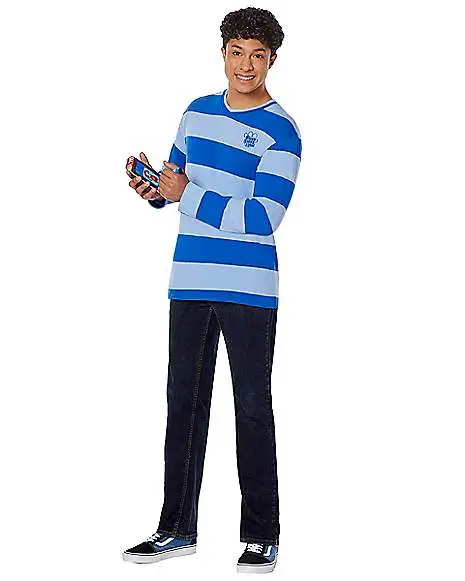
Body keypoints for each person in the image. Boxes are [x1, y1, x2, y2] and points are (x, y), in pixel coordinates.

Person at [122, 7, 302, 574]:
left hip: (249, 288)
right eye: (236, 52)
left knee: (251, 407)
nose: (246, 65)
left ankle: (262, 535)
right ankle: (176, 528)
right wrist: (153, 189)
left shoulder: (282, 131)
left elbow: (263, 218)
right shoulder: (195, 113)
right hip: (190, 279)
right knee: (183, 402)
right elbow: (174, 181)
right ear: (223, 53)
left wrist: (185, 195)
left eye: (257, 55)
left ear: (272, 60)